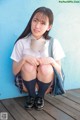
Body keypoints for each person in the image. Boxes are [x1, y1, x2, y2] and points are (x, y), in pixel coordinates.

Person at [11, 7, 65, 110]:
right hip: (26, 85)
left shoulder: (53, 43)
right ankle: (31, 96)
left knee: (46, 67)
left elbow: (59, 71)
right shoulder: (21, 43)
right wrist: (24, 59)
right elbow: (14, 71)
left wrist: (52, 61)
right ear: (31, 21)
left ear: (49, 27)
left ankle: (40, 97)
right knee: (27, 65)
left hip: (46, 87)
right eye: (35, 20)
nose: (37, 26)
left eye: (42, 23)